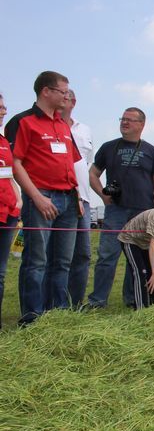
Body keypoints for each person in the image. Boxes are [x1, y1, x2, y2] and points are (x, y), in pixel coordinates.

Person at [6, 71, 81, 325]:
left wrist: (78, 197)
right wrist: (36, 197)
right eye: (63, 91)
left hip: (68, 198)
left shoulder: (62, 124)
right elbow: (16, 163)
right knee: (36, 260)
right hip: (42, 197)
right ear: (46, 91)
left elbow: (71, 163)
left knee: (62, 261)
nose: (66, 96)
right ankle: (32, 318)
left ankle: (56, 314)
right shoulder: (23, 121)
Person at [86, 108, 154, 309]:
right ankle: (97, 301)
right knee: (107, 256)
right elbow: (93, 173)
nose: (124, 123)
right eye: (122, 119)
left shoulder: (153, 152)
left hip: (143, 213)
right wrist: (103, 195)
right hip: (116, 211)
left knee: (136, 259)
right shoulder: (108, 147)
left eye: (130, 120)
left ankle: (132, 298)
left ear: (141, 124)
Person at [60, 90, 94, 308]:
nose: (63, 101)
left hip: (84, 198)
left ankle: (76, 302)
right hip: (58, 197)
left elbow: (86, 162)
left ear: (73, 102)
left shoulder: (85, 129)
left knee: (82, 254)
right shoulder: (47, 126)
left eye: (66, 97)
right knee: (57, 256)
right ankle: (55, 303)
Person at [0, 93, 22, 327]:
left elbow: (10, 175)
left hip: (7, 213)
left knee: (1, 272)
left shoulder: (4, 141)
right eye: (0, 107)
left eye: (4, 106)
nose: (4, 110)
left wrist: (18, 200)